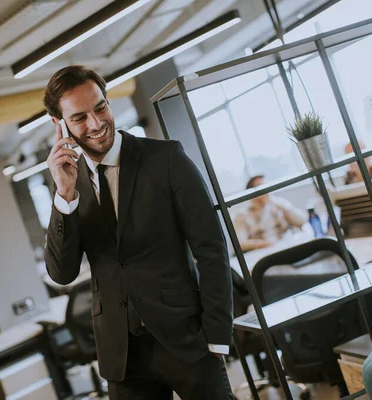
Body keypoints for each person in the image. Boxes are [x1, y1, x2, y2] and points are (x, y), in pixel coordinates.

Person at [43, 66, 233, 400]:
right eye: (79, 118)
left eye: (100, 107)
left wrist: (216, 335)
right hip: (122, 356)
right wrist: (64, 196)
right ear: (58, 124)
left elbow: (212, 249)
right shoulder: (68, 184)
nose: (96, 124)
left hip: (187, 339)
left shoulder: (166, 158)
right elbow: (62, 272)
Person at [233, 175, 308, 252]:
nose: (266, 191)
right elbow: (240, 243)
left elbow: (302, 221)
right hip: (262, 252)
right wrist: (261, 244)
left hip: (286, 246)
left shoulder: (278, 204)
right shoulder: (242, 215)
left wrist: (281, 205)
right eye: (261, 187)